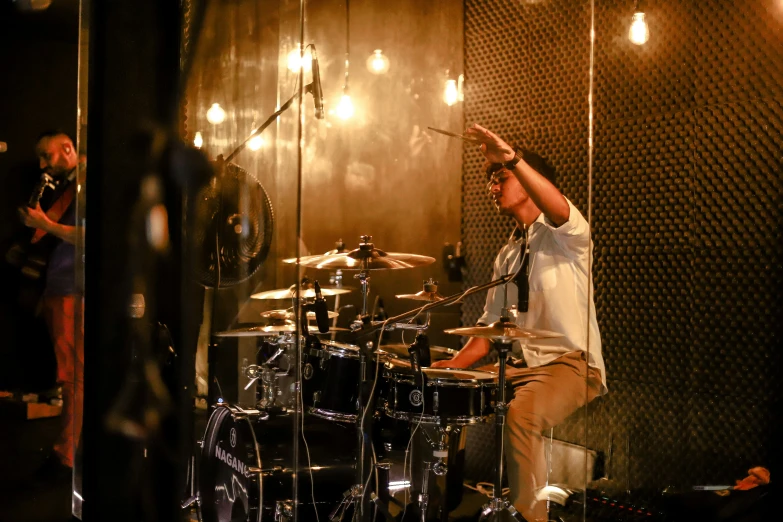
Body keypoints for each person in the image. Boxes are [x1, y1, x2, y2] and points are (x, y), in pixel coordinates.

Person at [432, 124, 607, 522]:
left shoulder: (568, 235)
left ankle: (531, 517)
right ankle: (444, 501)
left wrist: (512, 158)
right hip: (522, 367)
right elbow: (488, 330)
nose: (492, 187)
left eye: (501, 178)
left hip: (572, 364)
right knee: (442, 396)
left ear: (531, 180)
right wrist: (450, 369)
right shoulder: (508, 254)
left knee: (521, 416)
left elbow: (558, 207)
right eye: (490, 180)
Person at [18, 130, 84, 476]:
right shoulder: (70, 184)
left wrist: (44, 224)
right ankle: (67, 451)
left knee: (74, 378)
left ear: (67, 148)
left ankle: (67, 456)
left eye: (47, 156)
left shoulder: (86, 181)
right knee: (69, 378)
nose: (44, 164)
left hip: (73, 291)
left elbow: (92, 235)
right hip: (61, 289)